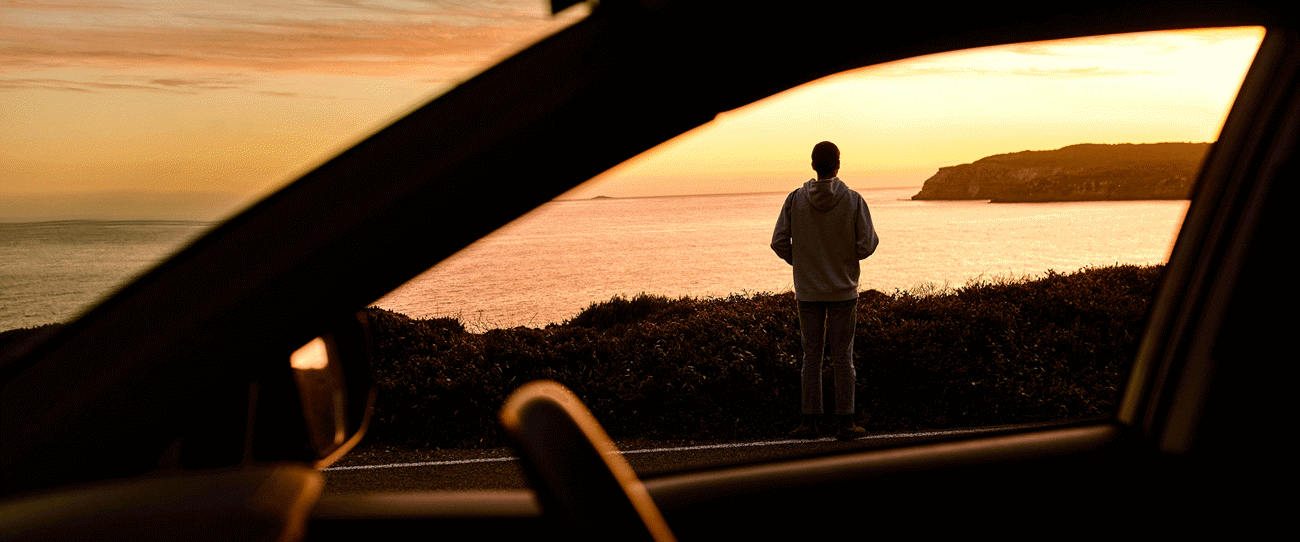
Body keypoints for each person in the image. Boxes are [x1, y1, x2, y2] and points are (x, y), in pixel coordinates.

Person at [771, 141, 879, 440]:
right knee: (843, 357)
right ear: (838, 164)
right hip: (843, 291)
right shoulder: (853, 200)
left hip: (808, 291)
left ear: (812, 164)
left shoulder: (795, 200)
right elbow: (867, 244)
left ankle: (810, 423)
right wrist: (843, 259)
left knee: (811, 357)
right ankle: (846, 423)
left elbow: (779, 242)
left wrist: (803, 262)